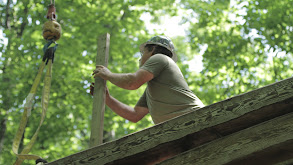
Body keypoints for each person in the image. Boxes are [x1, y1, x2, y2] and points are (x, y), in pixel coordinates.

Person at [91, 36, 204, 124]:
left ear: (152, 50)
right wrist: (108, 99)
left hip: (196, 117)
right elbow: (134, 115)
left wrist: (108, 75)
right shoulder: (156, 89)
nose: (140, 58)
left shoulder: (159, 58)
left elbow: (132, 82)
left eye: (143, 53)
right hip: (182, 124)